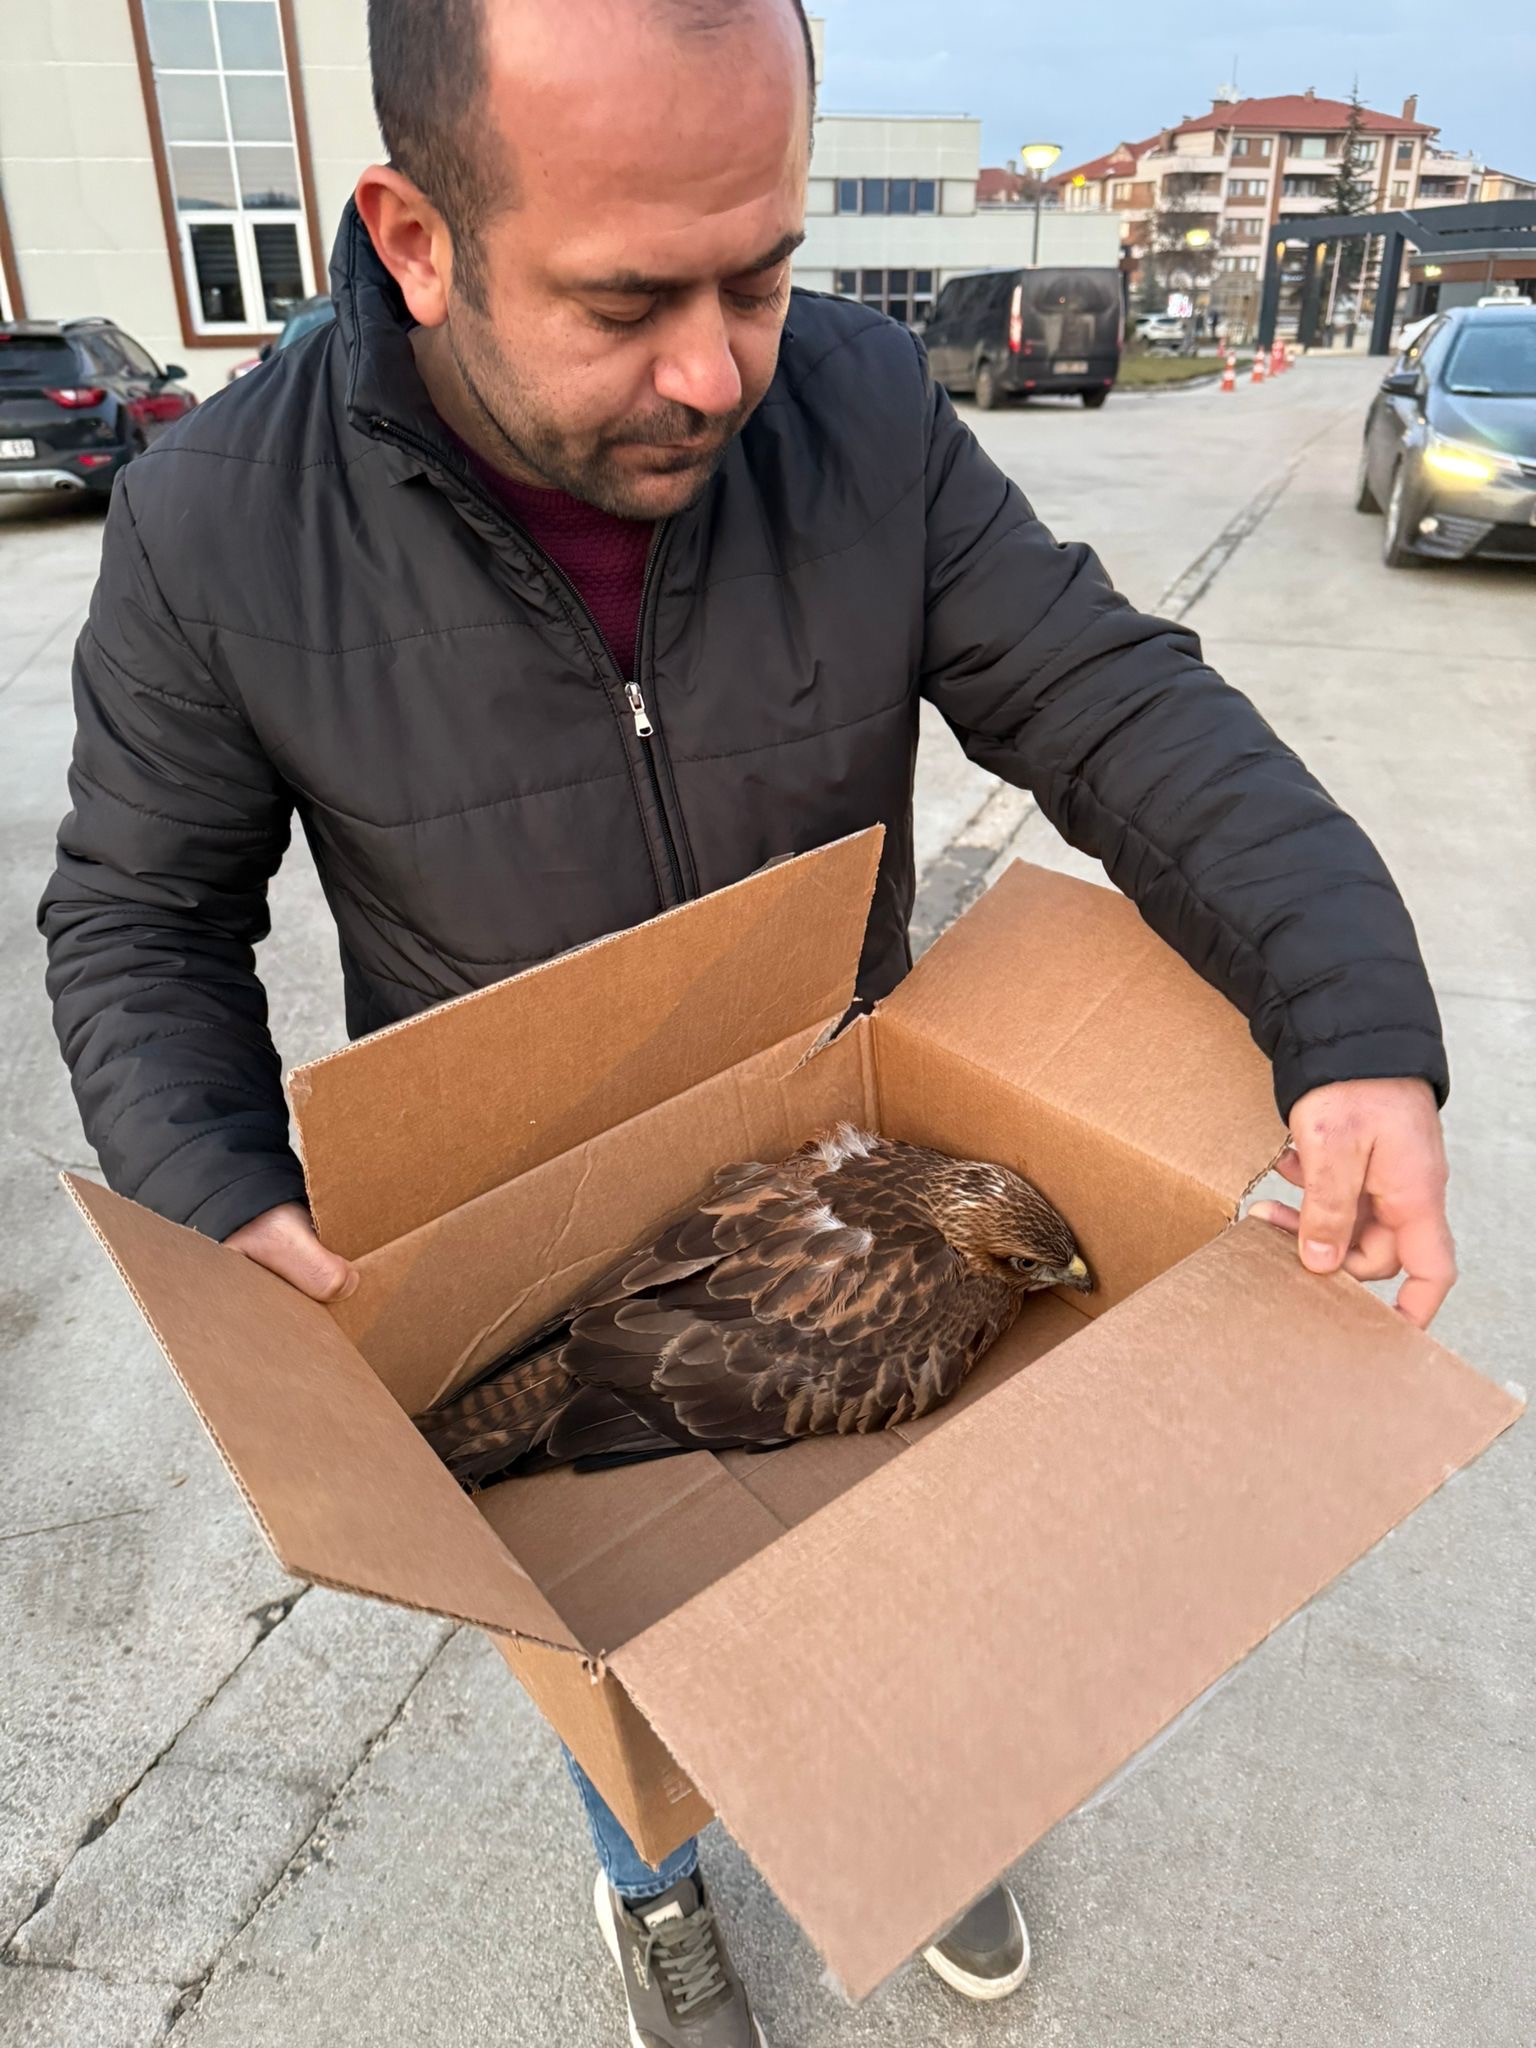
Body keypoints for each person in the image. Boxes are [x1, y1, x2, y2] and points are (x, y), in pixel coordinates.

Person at [39, 1, 1456, 2039]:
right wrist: (220, 1194)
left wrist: (1352, 1015)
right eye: (626, 301)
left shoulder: (862, 413)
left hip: (856, 1193)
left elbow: (1113, 703)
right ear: (416, 238)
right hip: (535, 1220)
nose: (716, 372)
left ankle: (926, 1807)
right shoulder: (217, 530)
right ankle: (658, 1872)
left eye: (764, 275)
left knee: (914, 1576)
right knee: (611, 1659)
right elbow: (136, 914)